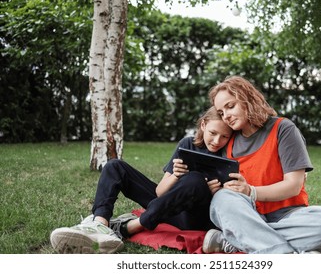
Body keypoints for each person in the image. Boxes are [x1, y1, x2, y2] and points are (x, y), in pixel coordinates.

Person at [50, 106, 232, 254]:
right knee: (115, 166)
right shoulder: (187, 144)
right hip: (167, 207)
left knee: (195, 180)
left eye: (224, 136)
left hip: (196, 217)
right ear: (203, 125)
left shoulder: (229, 155)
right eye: (213, 132)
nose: (217, 141)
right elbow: (160, 192)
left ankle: (129, 227)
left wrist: (213, 192)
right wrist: (175, 176)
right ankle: (100, 224)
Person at [202, 75, 321, 254]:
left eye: (230, 106)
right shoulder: (227, 141)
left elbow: (293, 186)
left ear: (248, 99)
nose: (226, 116)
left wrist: (251, 191)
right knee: (222, 199)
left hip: (288, 216)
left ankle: (238, 241)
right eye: (221, 112)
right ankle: (284, 254)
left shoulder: (284, 129)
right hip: (247, 214)